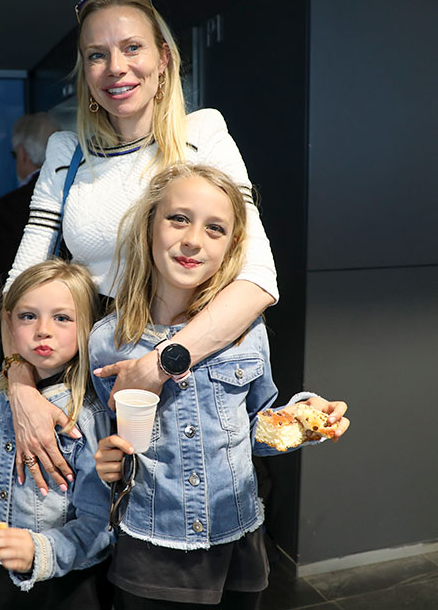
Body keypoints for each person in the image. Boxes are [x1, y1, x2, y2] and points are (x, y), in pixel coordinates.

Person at [2, 0, 279, 493]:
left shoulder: (203, 135)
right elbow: (19, 286)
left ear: (163, 59)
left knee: (194, 518)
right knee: (87, 522)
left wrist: (163, 362)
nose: (116, 67)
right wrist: (19, 385)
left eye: (132, 47)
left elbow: (258, 278)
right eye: (97, 55)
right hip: (88, 374)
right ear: (85, 72)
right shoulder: (67, 152)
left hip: (191, 366)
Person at [91, 165, 350, 608]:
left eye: (215, 228)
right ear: (149, 226)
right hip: (151, 546)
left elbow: (256, 428)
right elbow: (103, 438)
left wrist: (304, 419)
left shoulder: (247, 332)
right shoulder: (108, 342)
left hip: (237, 540)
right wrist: (105, 459)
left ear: (232, 245)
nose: (194, 240)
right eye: (178, 219)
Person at [0, 259, 114, 610]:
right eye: (28, 316)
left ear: (88, 326)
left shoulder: (88, 414)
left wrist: (38, 550)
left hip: (67, 584)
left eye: (62, 318)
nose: (42, 330)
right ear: (9, 323)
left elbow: (100, 523)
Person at [0, 113, 62, 375]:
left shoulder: (9, 206)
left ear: (22, 153)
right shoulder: (79, 195)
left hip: (28, 328)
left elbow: (5, 282)